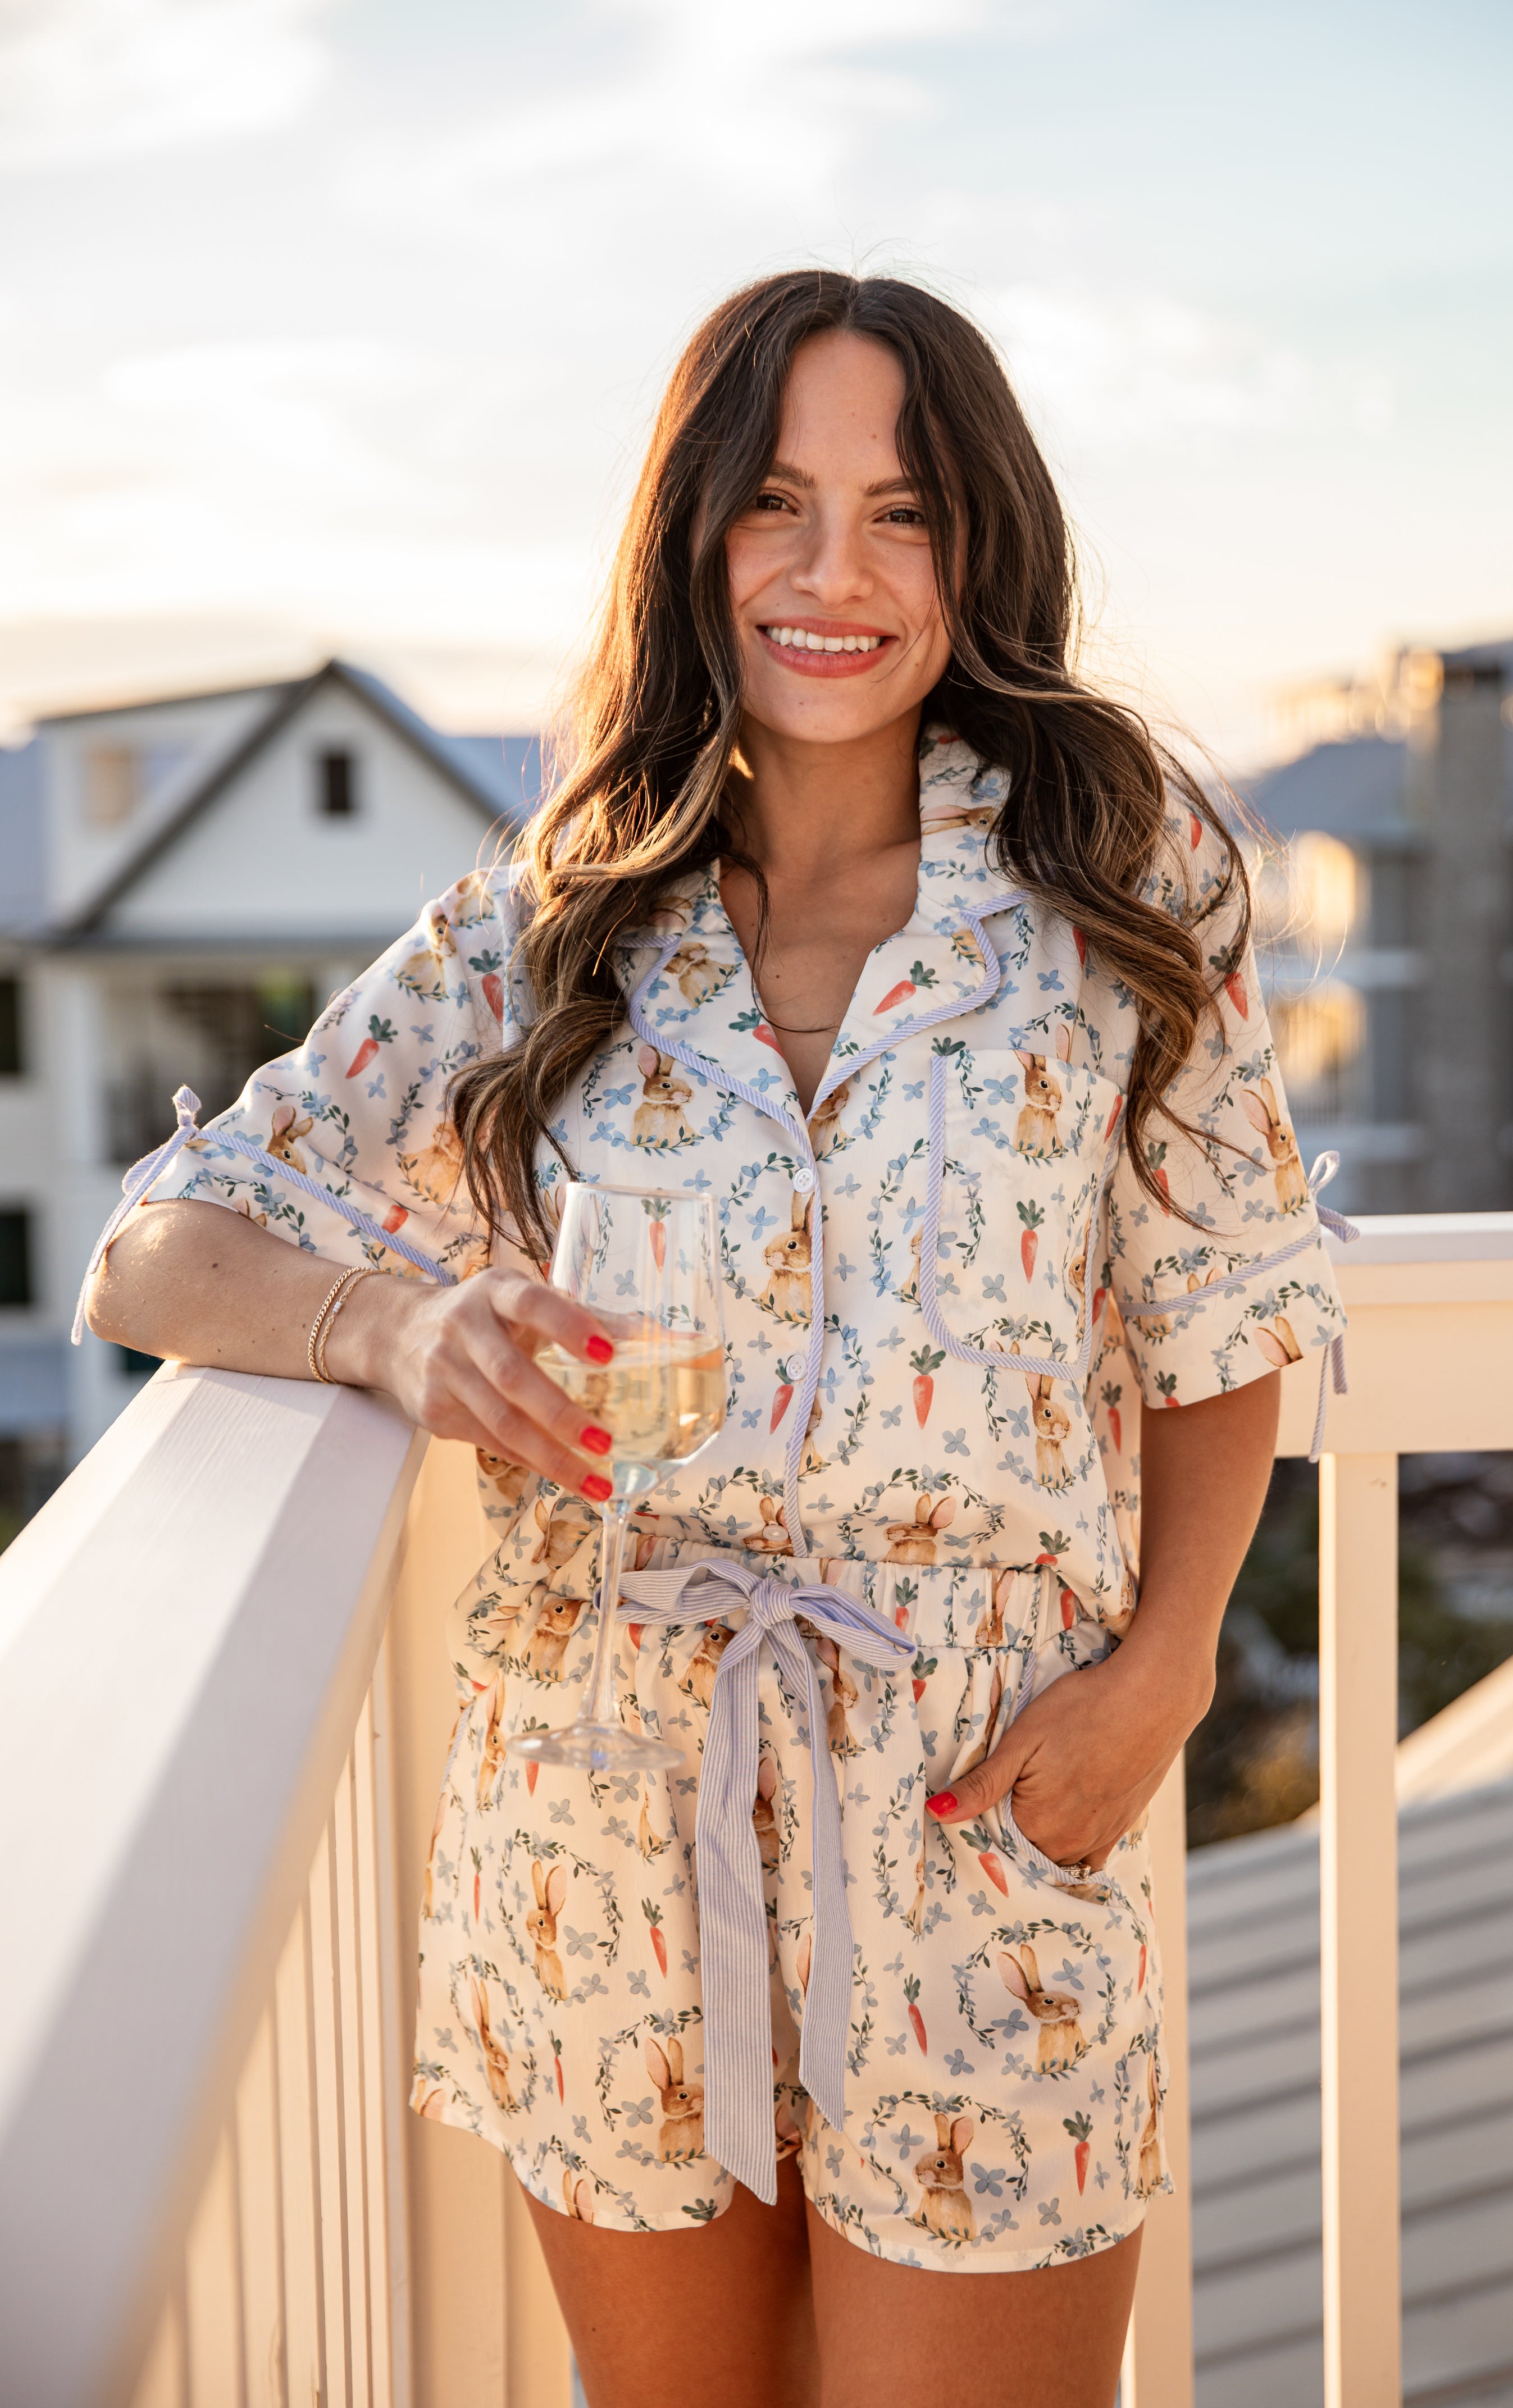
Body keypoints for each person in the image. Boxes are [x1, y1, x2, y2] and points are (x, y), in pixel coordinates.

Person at [85, 270, 1346, 2408]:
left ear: (983, 547)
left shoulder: (1121, 879)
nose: (834, 573)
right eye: (775, 503)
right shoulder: (557, 917)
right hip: (602, 1808)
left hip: (982, 1792)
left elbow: (1218, 1297)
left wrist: (1168, 1665)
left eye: (903, 510)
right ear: (693, 539)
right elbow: (152, 1254)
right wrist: (395, 1328)